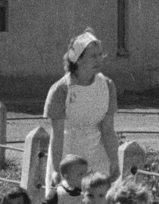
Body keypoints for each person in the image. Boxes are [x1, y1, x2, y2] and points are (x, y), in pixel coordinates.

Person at [42, 30, 119, 188]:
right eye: (93, 56)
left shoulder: (107, 86)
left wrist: (114, 161)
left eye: (100, 54)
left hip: (97, 155)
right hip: (67, 155)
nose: (99, 60)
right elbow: (57, 135)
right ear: (78, 60)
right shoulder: (61, 90)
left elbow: (108, 129)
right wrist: (56, 170)